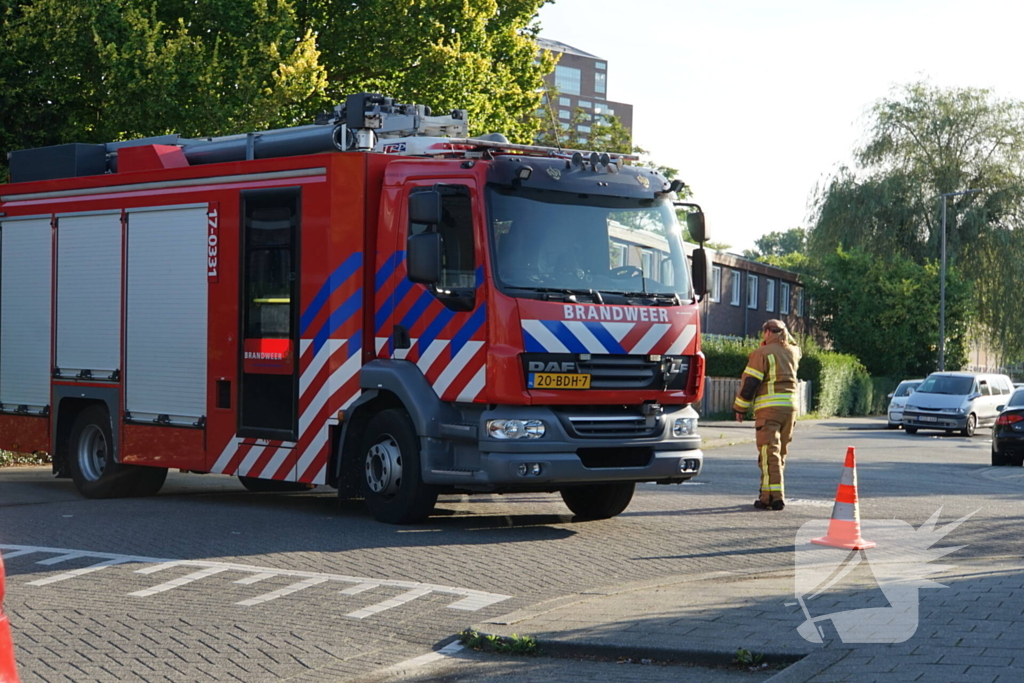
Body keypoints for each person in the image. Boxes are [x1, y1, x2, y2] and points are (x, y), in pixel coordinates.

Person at [733, 319, 802, 511]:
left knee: (768, 453)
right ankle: (767, 496)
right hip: (790, 409)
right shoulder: (793, 352)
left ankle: (775, 497)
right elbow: (794, 344)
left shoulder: (762, 353)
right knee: (779, 453)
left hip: (769, 410)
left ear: (767, 332)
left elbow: (750, 384)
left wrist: (740, 408)